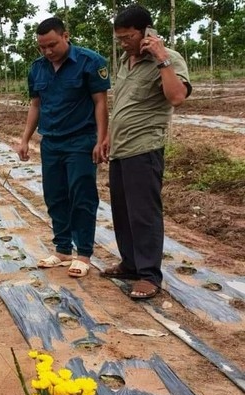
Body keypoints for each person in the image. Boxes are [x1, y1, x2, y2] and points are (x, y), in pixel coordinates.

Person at [102, 5, 191, 299]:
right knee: (123, 212)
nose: (124, 44)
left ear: (145, 33)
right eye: (120, 39)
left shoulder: (169, 60)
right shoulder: (126, 62)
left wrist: (161, 58)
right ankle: (130, 263)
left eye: (128, 37)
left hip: (144, 148)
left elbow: (177, 97)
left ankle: (150, 275)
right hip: (121, 148)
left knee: (144, 215)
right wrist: (106, 138)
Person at [16, 17, 110, 279]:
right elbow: (36, 105)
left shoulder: (90, 62)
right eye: (42, 47)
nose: (47, 51)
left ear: (66, 36)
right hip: (51, 142)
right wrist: (25, 139)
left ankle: (83, 254)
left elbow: (100, 102)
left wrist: (102, 138)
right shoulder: (37, 69)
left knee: (81, 195)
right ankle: (62, 249)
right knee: (55, 195)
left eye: (52, 45)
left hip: (81, 140)